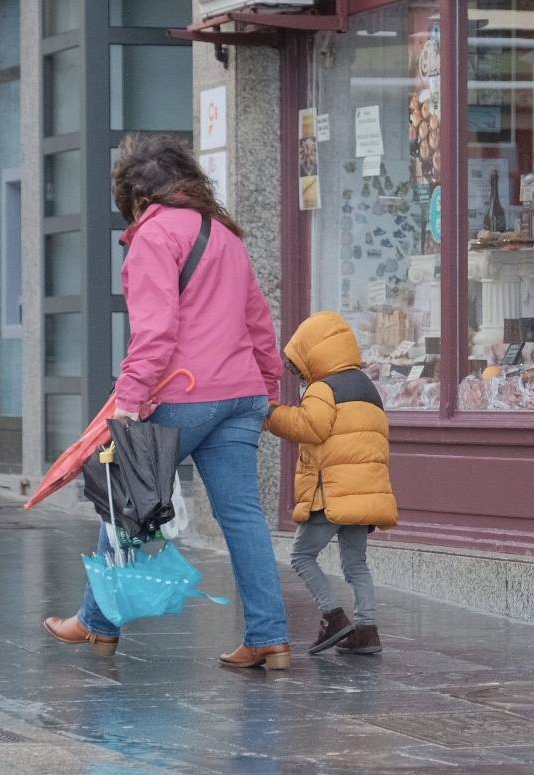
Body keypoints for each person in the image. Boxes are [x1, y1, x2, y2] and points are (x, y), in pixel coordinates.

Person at [44, 133, 292, 670]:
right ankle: (269, 638)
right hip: (241, 396)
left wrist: (128, 401)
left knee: (121, 500)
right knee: (244, 520)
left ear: (136, 196)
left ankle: (97, 622)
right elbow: (259, 324)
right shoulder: (225, 236)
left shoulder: (153, 238)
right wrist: (267, 392)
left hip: (182, 395)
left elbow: (153, 334)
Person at [265, 311, 398, 656]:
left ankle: (333, 616)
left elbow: (311, 427)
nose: (300, 374)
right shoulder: (367, 386)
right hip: (364, 492)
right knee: (356, 564)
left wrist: (271, 414)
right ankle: (367, 630)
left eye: (299, 365)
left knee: (302, 556)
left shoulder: (324, 388)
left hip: (332, 492)